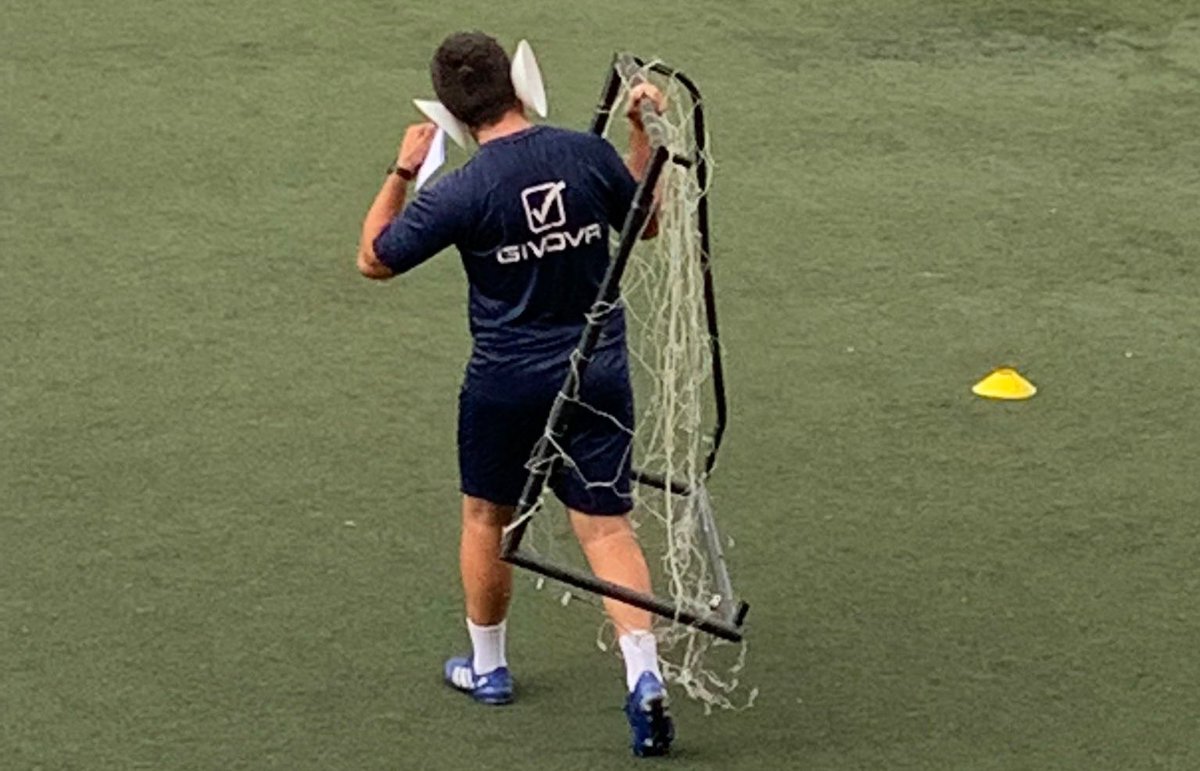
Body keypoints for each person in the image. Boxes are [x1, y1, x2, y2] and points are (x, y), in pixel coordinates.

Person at [354, 31, 673, 757]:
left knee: (486, 515)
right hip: (594, 370)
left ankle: (489, 666)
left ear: (453, 114)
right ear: (518, 84)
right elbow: (644, 223)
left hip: (504, 381)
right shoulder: (584, 156)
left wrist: (401, 172)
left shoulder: (464, 188)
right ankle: (645, 674)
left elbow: (375, 260)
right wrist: (635, 133)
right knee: (607, 528)